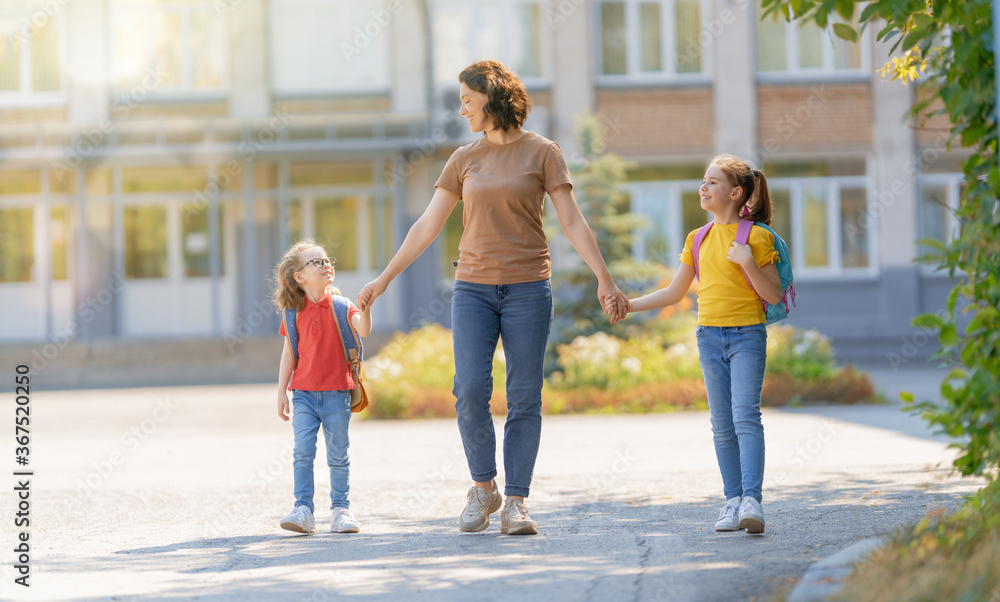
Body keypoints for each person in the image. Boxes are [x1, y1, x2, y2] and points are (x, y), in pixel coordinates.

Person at [357, 60, 628, 535]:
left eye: (466, 99)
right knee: (469, 390)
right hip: (473, 289)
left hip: (528, 288)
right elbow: (427, 226)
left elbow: (570, 220)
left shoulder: (543, 153)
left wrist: (603, 278)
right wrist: (383, 280)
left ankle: (517, 503)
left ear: (491, 96)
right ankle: (484, 489)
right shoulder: (463, 159)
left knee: (524, 396)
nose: (461, 110)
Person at [612, 154, 781, 535]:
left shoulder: (756, 237)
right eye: (703, 181)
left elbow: (773, 294)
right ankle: (732, 500)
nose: (703, 188)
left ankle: (752, 500)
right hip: (709, 337)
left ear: (736, 193)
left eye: (712, 182)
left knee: (745, 417)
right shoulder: (698, 238)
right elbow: (675, 292)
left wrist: (748, 262)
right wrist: (630, 304)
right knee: (721, 424)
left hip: (747, 336)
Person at [273, 239, 372, 535]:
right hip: (303, 394)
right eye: (316, 262)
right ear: (299, 277)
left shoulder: (342, 306)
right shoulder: (292, 312)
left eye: (327, 260)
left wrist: (365, 307)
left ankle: (341, 510)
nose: (326, 264)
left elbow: (363, 330)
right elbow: (289, 352)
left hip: (337, 393)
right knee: (302, 451)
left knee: (338, 453)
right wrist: (281, 391)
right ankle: (303, 509)